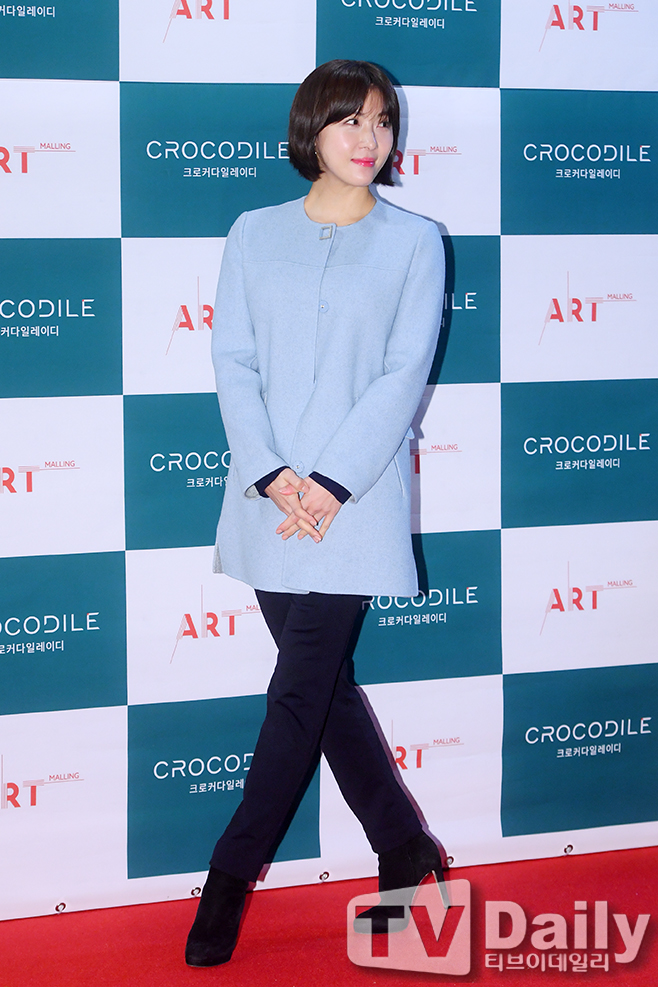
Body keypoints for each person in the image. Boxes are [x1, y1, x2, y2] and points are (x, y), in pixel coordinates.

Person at [185, 59, 447, 968]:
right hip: (269, 503)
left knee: (299, 693)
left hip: (355, 504)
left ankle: (227, 876)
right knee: (325, 693)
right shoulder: (253, 233)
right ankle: (406, 849)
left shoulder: (416, 241)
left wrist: (331, 483)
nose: (369, 138)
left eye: (382, 121)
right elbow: (233, 360)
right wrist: (272, 474)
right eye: (349, 120)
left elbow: (403, 374)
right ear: (311, 130)